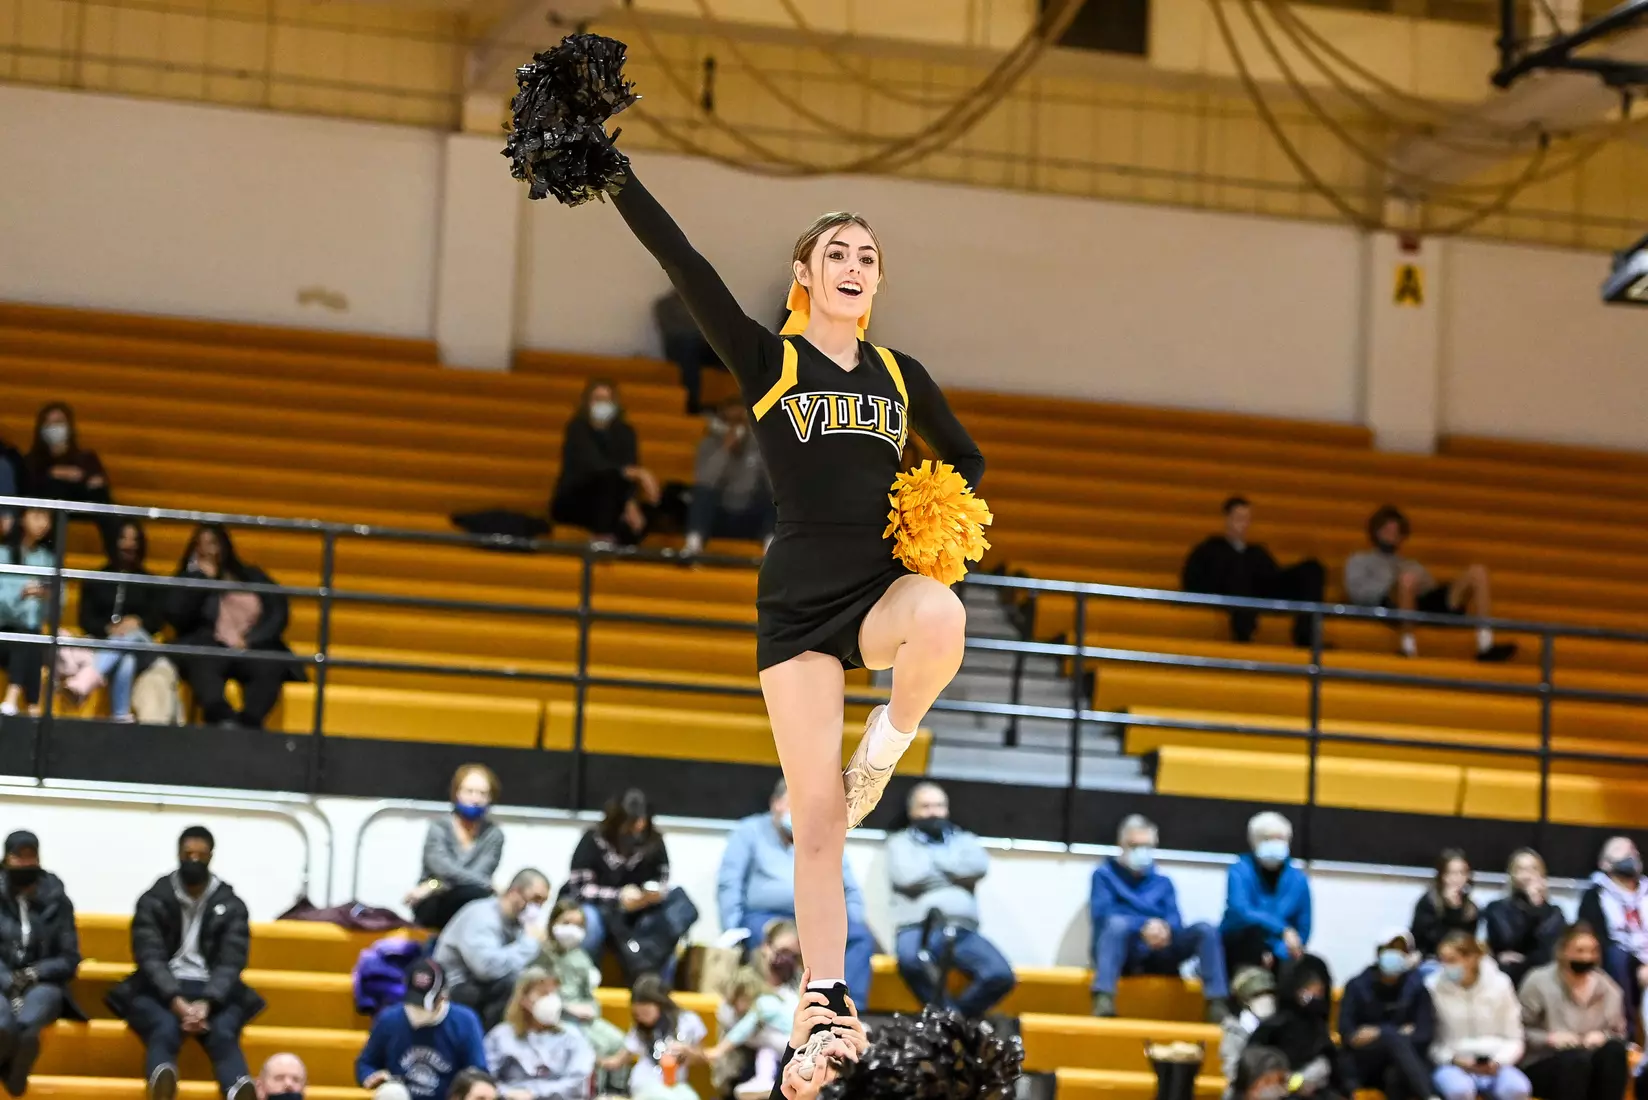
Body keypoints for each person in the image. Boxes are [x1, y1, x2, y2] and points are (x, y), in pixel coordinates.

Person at [604, 125, 986, 1074]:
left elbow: (968, 461)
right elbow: (684, 264)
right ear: (805, 274)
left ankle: (886, 748)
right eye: (836, 254)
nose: (852, 266)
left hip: (878, 586)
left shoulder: (903, 377)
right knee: (817, 823)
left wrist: (935, 510)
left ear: (875, 282)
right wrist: (616, 175)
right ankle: (822, 1002)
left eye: (866, 257)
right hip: (798, 609)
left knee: (942, 613)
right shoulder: (769, 362)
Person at [105, 825, 262, 1100]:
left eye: (200, 855)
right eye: (188, 854)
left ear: (211, 857)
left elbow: (232, 961)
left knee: (223, 1032)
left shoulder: (232, 904)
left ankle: (238, 1088)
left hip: (214, 991)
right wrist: (177, 1002)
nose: (194, 860)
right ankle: (162, 1082)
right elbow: (149, 957)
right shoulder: (153, 899)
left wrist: (206, 1003)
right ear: (178, 855)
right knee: (163, 1026)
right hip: (159, 989)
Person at [717, 781, 874, 1011]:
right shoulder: (749, 832)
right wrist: (732, 929)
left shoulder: (826, 836)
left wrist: (851, 920)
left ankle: (847, 1010)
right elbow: (730, 883)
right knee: (771, 938)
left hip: (816, 917)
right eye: (794, 804)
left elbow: (849, 887)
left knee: (860, 936)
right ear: (776, 803)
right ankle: (778, 1007)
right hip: (766, 917)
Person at [886, 782, 1015, 1020]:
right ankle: (950, 1022)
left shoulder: (964, 839)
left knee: (1000, 974)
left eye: (939, 805)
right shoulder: (899, 842)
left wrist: (931, 861)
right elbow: (908, 876)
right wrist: (954, 873)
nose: (933, 812)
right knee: (910, 960)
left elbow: (977, 867)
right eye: (925, 806)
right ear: (912, 812)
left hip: (962, 931)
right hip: (917, 928)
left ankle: (952, 1020)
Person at [1089, 814, 1230, 1021]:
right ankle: (1103, 999)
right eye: (1134, 845)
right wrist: (1143, 927)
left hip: (1161, 950)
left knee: (1205, 929)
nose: (1141, 852)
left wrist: (1163, 929)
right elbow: (1102, 915)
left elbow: (1175, 920)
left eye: (1146, 846)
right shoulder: (1103, 876)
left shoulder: (1163, 882)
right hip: (1127, 952)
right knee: (1116, 925)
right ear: (1121, 844)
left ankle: (1217, 1004)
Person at [165, 524, 303, 729]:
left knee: (269, 666)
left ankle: (250, 722)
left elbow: (278, 612)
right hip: (210, 646)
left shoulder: (251, 575)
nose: (208, 550)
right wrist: (201, 580)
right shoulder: (187, 580)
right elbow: (177, 616)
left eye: (212, 543)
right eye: (201, 545)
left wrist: (252, 639)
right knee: (202, 659)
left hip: (252, 644)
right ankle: (220, 716)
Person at [1344, 505, 1516, 662]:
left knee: (1478, 572)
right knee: (1407, 579)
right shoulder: (1360, 560)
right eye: (1387, 529)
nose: (1391, 534)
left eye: (1396, 531)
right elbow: (1357, 593)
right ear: (1375, 531)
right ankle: (1408, 647)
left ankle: (1485, 644)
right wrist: (1395, 585)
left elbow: (1430, 587)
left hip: (1421, 602)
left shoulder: (1410, 563)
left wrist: (1413, 585)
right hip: (1386, 605)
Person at [1181, 496, 1326, 649]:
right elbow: (1192, 581)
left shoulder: (1256, 552)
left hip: (1259, 592)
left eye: (1247, 519)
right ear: (1227, 519)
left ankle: (1307, 636)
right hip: (1226, 593)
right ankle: (1243, 633)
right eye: (1239, 518)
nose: (1243, 524)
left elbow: (1272, 577)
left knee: (1312, 569)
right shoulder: (1209, 550)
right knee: (1237, 567)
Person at [0, 830, 82, 1096]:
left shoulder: (58, 899)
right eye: (17, 857)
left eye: (30, 857)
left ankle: (15, 1073)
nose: (24, 864)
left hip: (43, 983)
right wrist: (9, 980)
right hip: (1, 982)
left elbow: (70, 958)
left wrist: (34, 973)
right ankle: (12, 1075)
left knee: (27, 1024)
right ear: (5, 860)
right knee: (2, 1026)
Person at [562, 788, 673, 976]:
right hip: (599, 908)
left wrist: (647, 896)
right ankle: (584, 981)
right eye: (631, 824)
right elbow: (579, 888)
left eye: (642, 823)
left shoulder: (654, 842)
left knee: (666, 930)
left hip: (640, 910)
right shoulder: (593, 840)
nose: (637, 829)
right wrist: (618, 896)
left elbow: (662, 880)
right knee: (590, 922)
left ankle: (655, 991)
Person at [1517, 923, 1627, 1100]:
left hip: (1590, 1060)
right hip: (1546, 1061)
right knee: (1575, 1061)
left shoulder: (1608, 987)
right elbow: (1519, 1030)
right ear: (1562, 951)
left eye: (1593, 951)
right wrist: (1549, 1038)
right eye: (1580, 950)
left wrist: (1603, 1036)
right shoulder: (1538, 981)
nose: (1587, 957)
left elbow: (1619, 1033)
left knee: (1613, 1052)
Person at [73, 518, 168, 721]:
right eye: (123, 538)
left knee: (131, 638)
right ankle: (120, 716)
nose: (129, 545)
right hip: (105, 642)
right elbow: (85, 619)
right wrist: (109, 628)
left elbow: (157, 620)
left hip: (142, 643)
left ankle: (87, 678)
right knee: (126, 659)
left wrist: (137, 623)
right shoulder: (96, 579)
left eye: (134, 540)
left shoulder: (151, 582)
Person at [434, 869, 551, 1030]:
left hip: (483, 987)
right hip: (455, 989)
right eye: (535, 899)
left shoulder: (519, 923)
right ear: (515, 891)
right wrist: (530, 943)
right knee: (511, 984)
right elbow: (486, 968)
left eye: (542, 903)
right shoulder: (482, 916)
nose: (537, 908)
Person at [358, 958, 488, 1100]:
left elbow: (477, 1071)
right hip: (404, 1095)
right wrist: (372, 1076)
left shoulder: (464, 1021)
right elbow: (366, 1062)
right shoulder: (389, 1018)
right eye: (415, 1001)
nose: (417, 1009)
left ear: (443, 996)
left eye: (423, 1004)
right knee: (391, 1093)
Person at [549, 380, 658, 548]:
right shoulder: (577, 428)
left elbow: (629, 466)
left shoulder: (626, 432)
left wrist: (629, 501)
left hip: (614, 501)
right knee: (609, 479)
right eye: (597, 399)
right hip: (576, 499)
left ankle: (619, 541)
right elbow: (595, 466)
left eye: (607, 400)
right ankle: (603, 537)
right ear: (587, 402)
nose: (602, 404)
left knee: (649, 510)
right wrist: (638, 474)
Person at [1426, 932, 1529, 1100]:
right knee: (1458, 1090)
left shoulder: (1501, 984)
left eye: (1452, 960)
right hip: (1454, 1063)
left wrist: (1498, 1061)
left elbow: (1515, 1037)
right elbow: (1432, 1041)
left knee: (1517, 1088)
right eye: (1442, 960)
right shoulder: (1432, 987)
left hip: (1496, 1063)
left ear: (1472, 959)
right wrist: (1453, 1059)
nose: (1445, 966)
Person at [1336, 929, 1434, 1100]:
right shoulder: (1358, 985)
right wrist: (1394, 1033)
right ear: (1379, 953)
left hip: (1406, 1062)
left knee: (1396, 1074)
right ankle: (1430, 1096)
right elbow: (1347, 1033)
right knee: (1390, 1037)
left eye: (1400, 950)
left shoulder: (1417, 987)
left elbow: (1424, 1034)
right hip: (1367, 1061)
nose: (1394, 954)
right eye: (1389, 949)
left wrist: (1379, 1032)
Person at [406, 765, 505, 931]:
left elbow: (480, 875)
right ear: (457, 793)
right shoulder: (439, 828)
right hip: (435, 903)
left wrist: (434, 884)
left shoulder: (494, 835)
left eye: (482, 794)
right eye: (469, 791)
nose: (475, 799)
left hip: (471, 899)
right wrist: (490, 885)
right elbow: (443, 869)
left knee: (474, 896)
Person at [483, 966, 595, 1100]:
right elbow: (485, 1079)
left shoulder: (572, 1035)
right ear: (524, 999)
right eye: (543, 994)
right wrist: (508, 1093)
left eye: (554, 993)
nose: (551, 1000)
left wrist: (535, 1094)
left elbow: (578, 1081)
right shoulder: (500, 1036)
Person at [535, 901, 626, 1067]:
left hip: (583, 1020)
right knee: (587, 1044)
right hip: (554, 1018)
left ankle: (608, 1089)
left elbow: (589, 996)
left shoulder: (582, 958)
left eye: (578, 925)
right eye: (566, 923)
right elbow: (533, 996)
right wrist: (566, 1007)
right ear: (552, 923)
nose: (572, 929)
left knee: (619, 1042)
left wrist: (591, 1010)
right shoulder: (542, 956)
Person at [1220, 812, 1311, 975]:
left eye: (1280, 839)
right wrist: (1282, 930)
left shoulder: (1299, 879)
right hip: (1240, 946)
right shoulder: (1239, 870)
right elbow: (1241, 912)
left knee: (1314, 968)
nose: (1275, 844)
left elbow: (1303, 928)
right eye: (1268, 839)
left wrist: (1276, 953)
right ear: (1255, 842)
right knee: (1252, 945)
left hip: (1282, 952)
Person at [683, 398, 775, 559]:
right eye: (731, 422)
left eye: (740, 422)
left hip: (749, 513)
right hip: (720, 514)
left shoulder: (759, 445)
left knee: (777, 496)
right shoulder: (708, 444)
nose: (736, 428)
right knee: (702, 493)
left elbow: (772, 484)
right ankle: (693, 544)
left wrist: (763, 449)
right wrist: (725, 450)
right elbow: (705, 481)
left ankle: (771, 546)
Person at [21, 402, 116, 552]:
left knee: (103, 499)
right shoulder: (32, 460)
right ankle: (50, 560)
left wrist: (79, 478)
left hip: (81, 505)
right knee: (55, 490)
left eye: (59, 422)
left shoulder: (86, 458)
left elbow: (97, 483)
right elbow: (29, 487)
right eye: (49, 423)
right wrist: (53, 474)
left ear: (69, 426)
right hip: (48, 512)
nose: (54, 427)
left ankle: (116, 560)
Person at [1576, 835, 1647, 1032]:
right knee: (1617, 957)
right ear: (1604, 863)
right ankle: (1627, 1035)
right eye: (1621, 851)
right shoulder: (1595, 896)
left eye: (1633, 850)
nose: (1630, 855)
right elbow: (1596, 938)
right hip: (1620, 961)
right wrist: (1638, 964)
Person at [1247, 954, 1343, 1098]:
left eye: (1319, 993)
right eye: (1307, 991)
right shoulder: (1272, 1028)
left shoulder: (1318, 1028)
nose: (1312, 997)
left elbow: (1333, 1071)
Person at [602, 975, 708, 1100]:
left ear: (660, 1004)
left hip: (675, 1085)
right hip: (645, 1083)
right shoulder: (639, 1030)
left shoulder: (688, 1021)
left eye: (646, 1013)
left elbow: (703, 1057)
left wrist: (687, 1051)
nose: (641, 1018)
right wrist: (599, 1061)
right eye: (637, 1015)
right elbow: (620, 1059)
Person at [706, 966, 796, 1099]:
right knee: (765, 1047)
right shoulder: (771, 999)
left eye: (735, 1002)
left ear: (746, 994)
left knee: (765, 1045)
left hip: (791, 1042)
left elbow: (742, 1030)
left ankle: (764, 1079)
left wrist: (718, 1050)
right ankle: (764, 1079)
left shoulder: (763, 1004)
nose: (734, 1008)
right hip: (788, 1042)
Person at [1483, 849, 1565, 988]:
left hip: (1544, 972)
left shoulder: (1553, 912)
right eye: (1521, 869)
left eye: (1533, 869)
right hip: (1510, 972)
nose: (1528, 875)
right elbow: (1510, 940)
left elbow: (1549, 949)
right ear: (1512, 874)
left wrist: (1537, 906)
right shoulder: (1496, 908)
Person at [0, 507, 53, 717]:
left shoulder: (48, 558)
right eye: (38, 515)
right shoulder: (2, 554)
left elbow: (58, 603)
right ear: (22, 518)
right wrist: (22, 596)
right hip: (3, 631)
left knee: (31, 638)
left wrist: (48, 597)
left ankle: (16, 699)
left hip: (32, 635)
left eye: (47, 518)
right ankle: (32, 707)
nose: (44, 523)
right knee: (27, 638)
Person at [655, 290, 724, 415]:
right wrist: (698, 333)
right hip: (679, 347)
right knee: (690, 348)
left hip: (701, 345)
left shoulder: (702, 304)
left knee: (731, 346)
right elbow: (672, 330)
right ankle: (692, 404)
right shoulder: (664, 304)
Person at [1413, 849, 1481, 959]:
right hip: (1430, 957)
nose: (1457, 879)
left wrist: (1457, 909)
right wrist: (1451, 910)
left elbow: (1467, 941)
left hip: (1460, 960)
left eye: (1462, 873)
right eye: (1452, 873)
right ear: (1442, 876)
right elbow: (1426, 941)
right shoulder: (1428, 902)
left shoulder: (1471, 908)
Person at [1220, 967, 1277, 1082]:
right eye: (1258, 995)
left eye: (1269, 993)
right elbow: (1231, 1070)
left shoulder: (1280, 1025)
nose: (1265, 999)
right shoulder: (1234, 1030)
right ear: (1244, 1000)